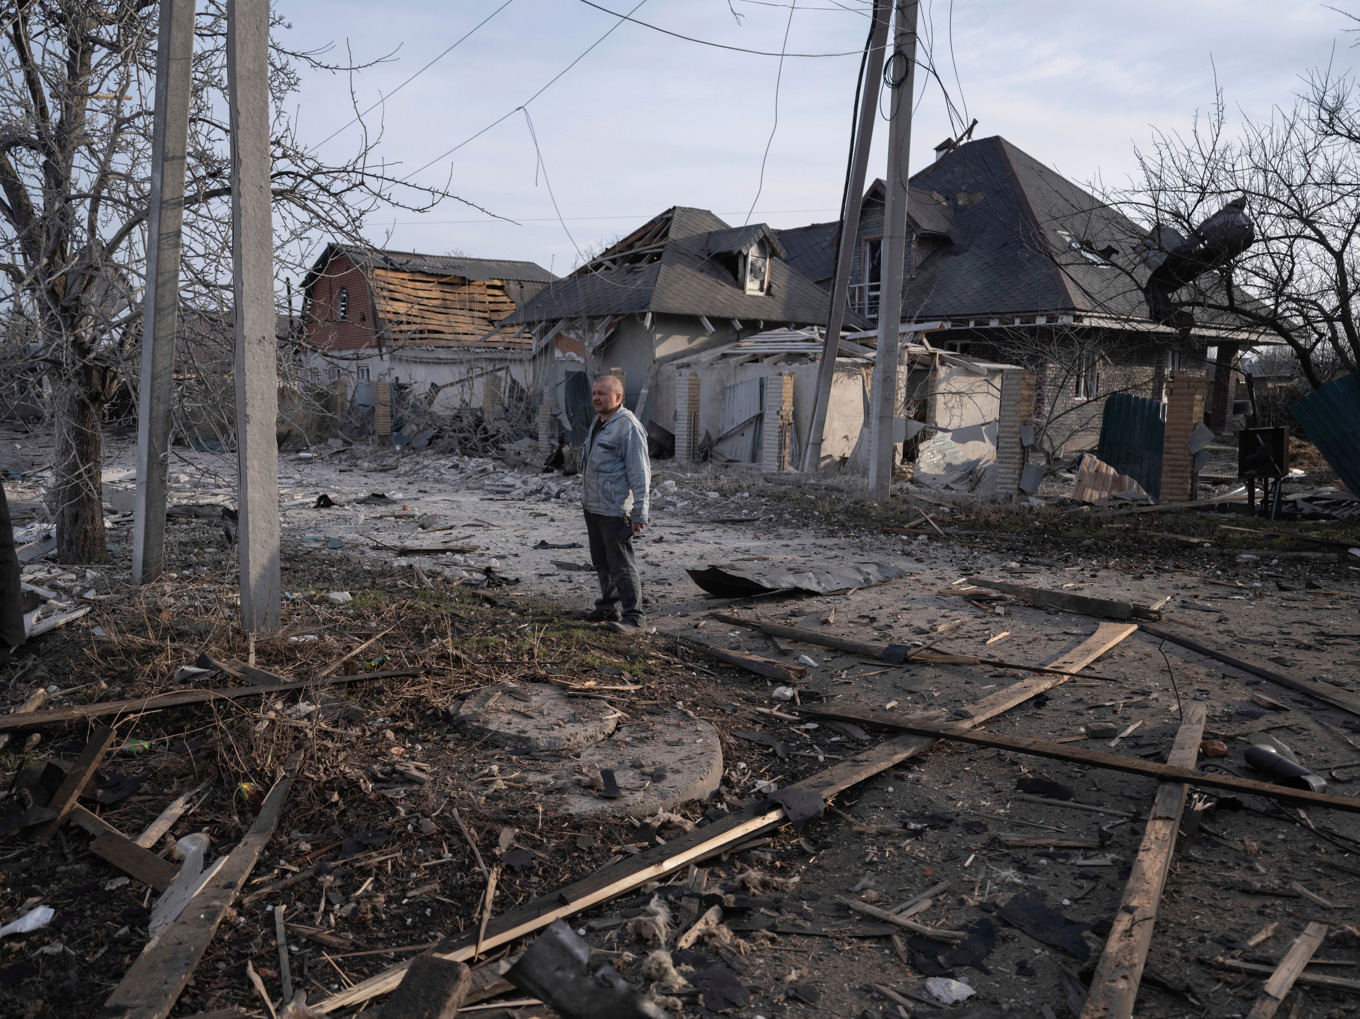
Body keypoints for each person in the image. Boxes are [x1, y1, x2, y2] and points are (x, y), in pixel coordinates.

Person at [580, 374, 651, 633]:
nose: (596, 398)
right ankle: (608, 607)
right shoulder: (599, 423)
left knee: (622, 565)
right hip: (593, 506)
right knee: (601, 561)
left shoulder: (628, 426)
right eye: (594, 393)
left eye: (602, 393)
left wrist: (640, 512)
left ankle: (635, 619)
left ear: (618, 397)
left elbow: (640, 474)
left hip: (614, 509)